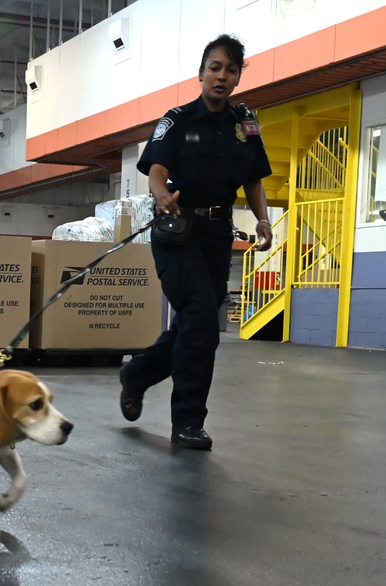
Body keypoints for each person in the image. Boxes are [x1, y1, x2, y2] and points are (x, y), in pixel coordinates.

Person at [118, 34, 274, 450]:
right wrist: (161, 194)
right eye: (215, 67)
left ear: (239, 77)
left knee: (195, 323)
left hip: (217, 236)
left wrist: (262, 219)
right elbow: (155, 169)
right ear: (201, 73)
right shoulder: (178, 119)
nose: (222, 76)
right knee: (203, 319)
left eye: (231, 70)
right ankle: (188, 421)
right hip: (177, 231)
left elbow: (253, 179)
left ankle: (137, 374)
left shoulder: (245, 125)